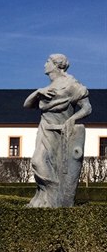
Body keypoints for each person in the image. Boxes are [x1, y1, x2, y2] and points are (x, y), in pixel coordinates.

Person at [24, 54, 92, 207]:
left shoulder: (71, 85)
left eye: (48, 61)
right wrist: (38, 92)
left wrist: (73, 119)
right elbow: (27, 105)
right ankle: (45, 198)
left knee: (41, 162)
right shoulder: (46, 88)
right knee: (38, 162)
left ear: (56, 65)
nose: (45, 64)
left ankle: (55, 199)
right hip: (44, 129)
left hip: (60, 133)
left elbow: (87, 108)